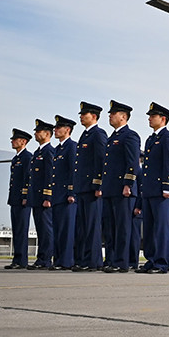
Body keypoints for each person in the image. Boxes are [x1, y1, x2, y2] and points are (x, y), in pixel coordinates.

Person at [136, 102, 169, 274]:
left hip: (161, 190)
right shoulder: (151, 139)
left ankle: (161, 262)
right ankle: (151, 259)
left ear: (163, 119)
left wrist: (167, 186)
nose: (149, 119)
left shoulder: (168, 138)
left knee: (161, 227)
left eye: (153, 116)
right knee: (150, 227)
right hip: (149, 189)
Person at [100, 101, 140, 273]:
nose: (110, 116)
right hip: (110, 188)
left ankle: (122, 262)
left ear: (123, 117)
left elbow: (132, 163)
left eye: (113, 113)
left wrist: (128, 184)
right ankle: (111, 259)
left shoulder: (130, 136)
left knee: (122, 227)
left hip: (122, 189)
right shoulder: (112, 138)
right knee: (110, 226)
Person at [72, 102, 107, 272]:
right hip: (82, 187)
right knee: (84, 226)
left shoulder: (98, 134)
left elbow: (100, 161)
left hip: (92, 187)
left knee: (92, 225)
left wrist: (98, 183)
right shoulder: (84, 136)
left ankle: (93, 261)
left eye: (84, 114)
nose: (80, 116)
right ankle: (85, 259)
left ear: (93, 116)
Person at [27, 119, 55, 269]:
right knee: (40, 229)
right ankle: (41, 258)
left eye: (38, 131)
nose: (36, 134)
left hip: (44, 198)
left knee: (46, 230)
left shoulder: (49, 151)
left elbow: (50, 175)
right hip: (36, 197)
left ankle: (45, 259)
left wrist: (48, 196)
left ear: (47, 133)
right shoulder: (37, 152)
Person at [50, 115, 77, 270]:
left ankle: (66, 261)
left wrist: (71, 192)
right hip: (57, 195)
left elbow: (73, 171)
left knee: (66, 230)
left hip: (67, 196)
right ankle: (58, 259)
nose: (55, 130)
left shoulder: (71, 147)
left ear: (67, 130)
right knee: (58, 229)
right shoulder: (58, 149)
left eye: (58, 128)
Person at [5, 128, 33, 269]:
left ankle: (22, 260)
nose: (12, 141)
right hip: (15, 199)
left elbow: (27, 178)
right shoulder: (16, 158)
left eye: (15, 139)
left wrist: (25, 196)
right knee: (16, 230)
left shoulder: (27, 157)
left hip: (23, 200)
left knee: (22, 230)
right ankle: (17, 259)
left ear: (23, 142)